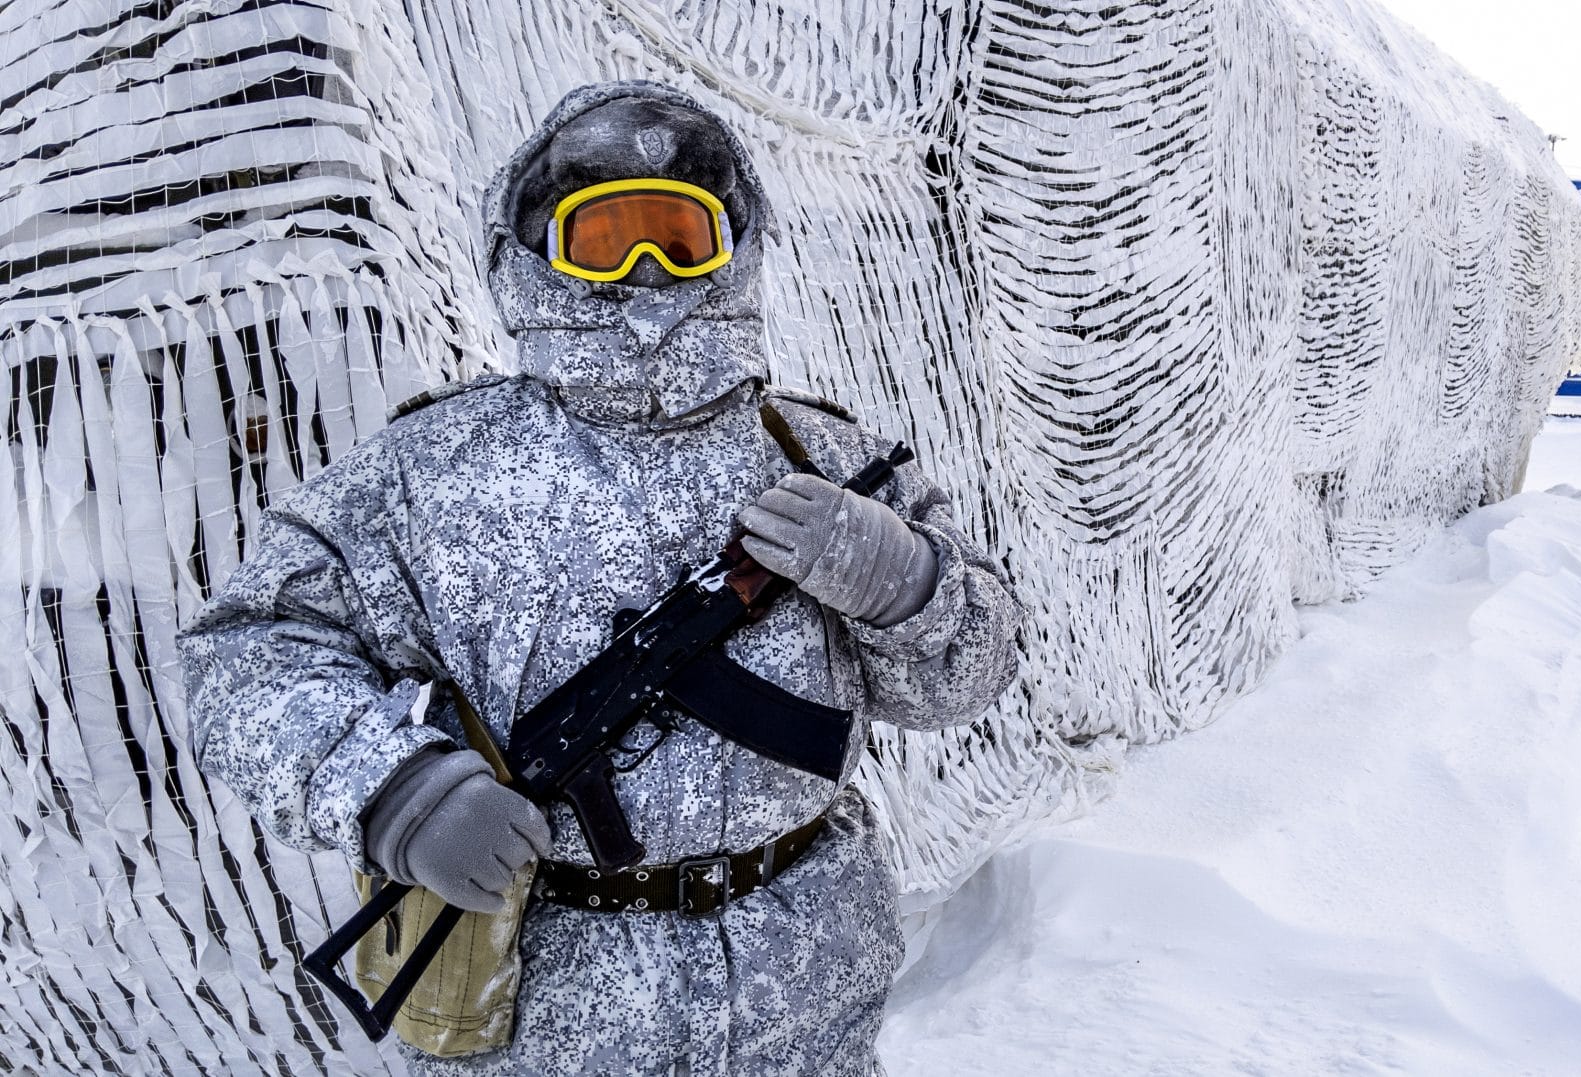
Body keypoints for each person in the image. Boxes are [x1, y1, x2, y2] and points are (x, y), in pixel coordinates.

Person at [181, 80, 1020, 1075]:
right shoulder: (432, 471)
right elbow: (244, 655)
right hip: (551, 1017)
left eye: (678, 235)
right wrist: (399, 791)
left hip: (809, 990)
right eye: (605, 238)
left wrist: (909, 584)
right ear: (535, 255)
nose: (647, 274)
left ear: (736, 246)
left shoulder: (824, 455)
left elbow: (970, 679)